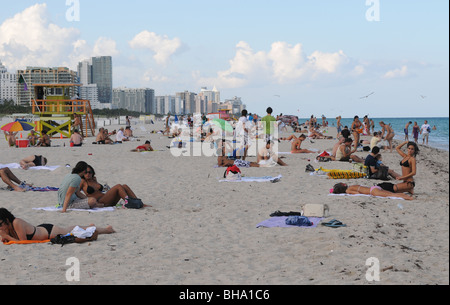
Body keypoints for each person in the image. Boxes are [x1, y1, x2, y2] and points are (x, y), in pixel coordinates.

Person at [0, 208, 115, 243]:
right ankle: (89, 226)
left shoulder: (16, 222)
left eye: (0, 224)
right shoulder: (9, 227)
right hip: (40, 230)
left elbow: (23, 242)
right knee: (73, 228)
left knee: (72, 229)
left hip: (49, 231)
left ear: (6, 220)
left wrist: (8, 237)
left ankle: (107, 230)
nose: (0, 228)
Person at [80, 165, 148, 207]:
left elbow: (98, 190)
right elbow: (76, 192)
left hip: (107, 200)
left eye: (90, 172)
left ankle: (140, 203)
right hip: (100, 202)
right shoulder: (82, 181)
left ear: (92, 173)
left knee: (124, 186)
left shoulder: (94, 180)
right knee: (118, 186)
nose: (88, 174)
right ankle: (129, 202)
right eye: (85, 172)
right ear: (83, 173)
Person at [331, 182, 413, 200]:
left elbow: (357, 193)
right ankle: (405, 195)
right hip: (373, 188)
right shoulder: (352, 186)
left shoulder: (348, 190)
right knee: (390, 193)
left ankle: (409, 198)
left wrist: (350, 194)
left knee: (391, 195)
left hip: (372, 192)